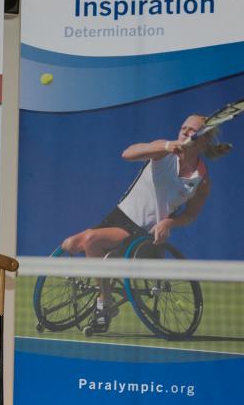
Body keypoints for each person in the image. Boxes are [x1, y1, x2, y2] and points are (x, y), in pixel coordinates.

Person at [60, 113, 227, 332]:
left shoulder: (201, 180)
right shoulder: (163, 150)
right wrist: (167, 146)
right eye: (183, 128)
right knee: (70, 245)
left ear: (204, 139)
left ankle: (104, 304)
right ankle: (105, 288)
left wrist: (168, 223)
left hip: (146, 234)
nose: (185, 132)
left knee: (92, 241)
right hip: (119, 218)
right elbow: (128, 154)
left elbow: (190, 216)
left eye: (192, 130)